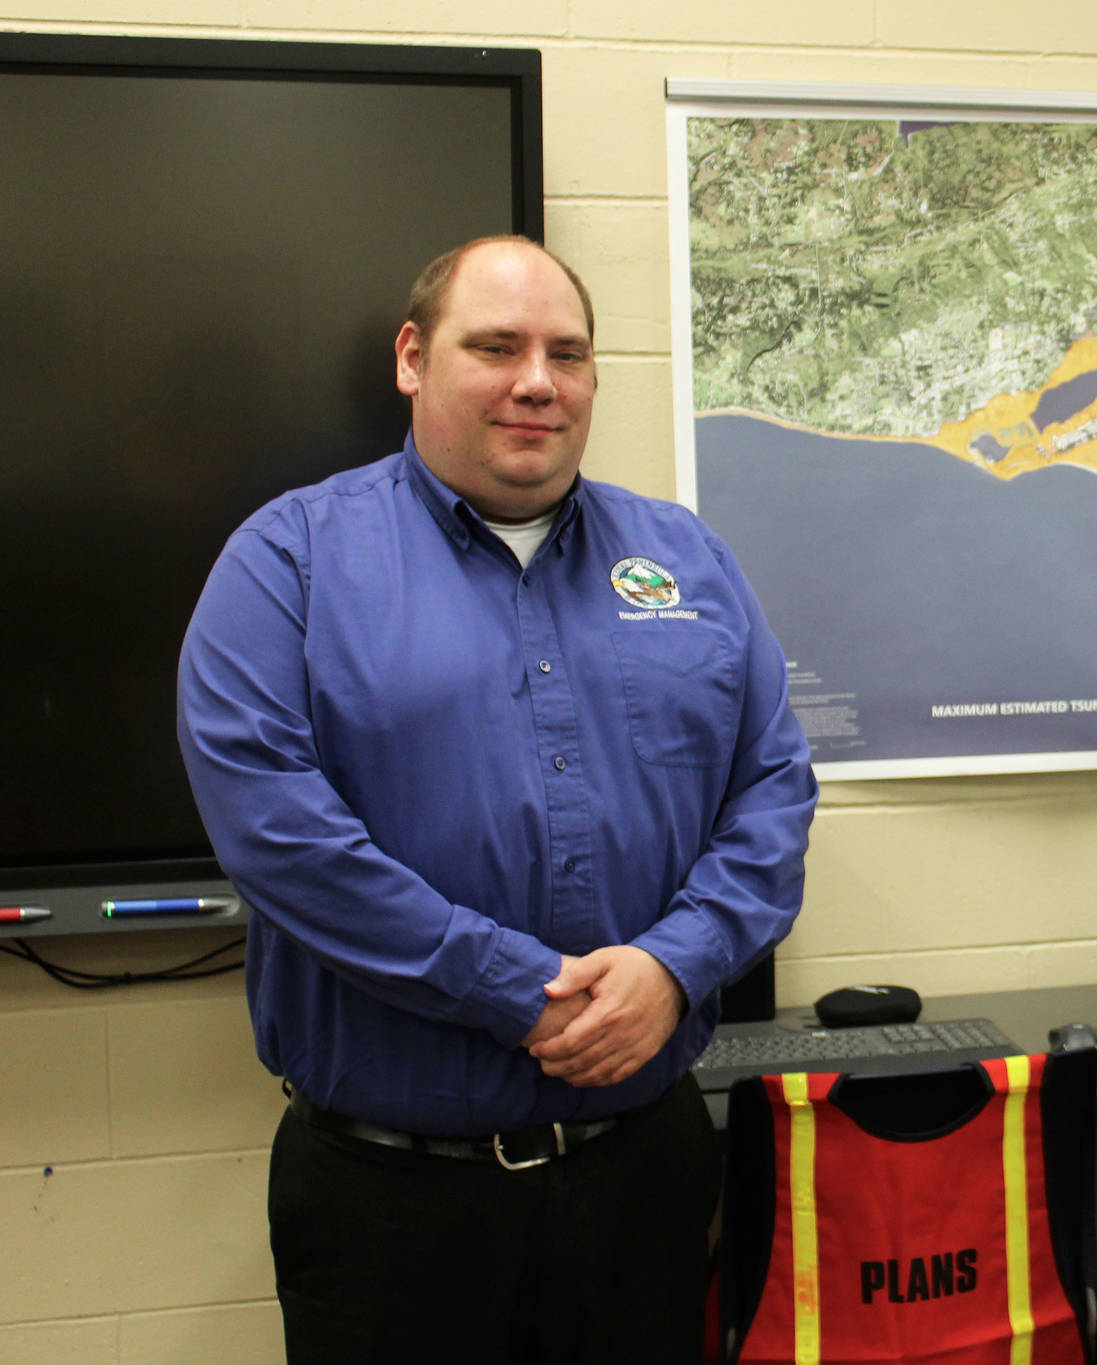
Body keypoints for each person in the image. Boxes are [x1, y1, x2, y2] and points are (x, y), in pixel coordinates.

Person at [176, 235, 818, 1363]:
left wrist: (675, 963)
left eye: (567, 354)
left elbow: (771, 788)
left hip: (644, 1179)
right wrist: (513, 988)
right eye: (497, 346)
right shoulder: (290, 562)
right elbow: (275, 830)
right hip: (391, 1208)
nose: (537, 381)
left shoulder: (687, 562)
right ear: (414, 360)